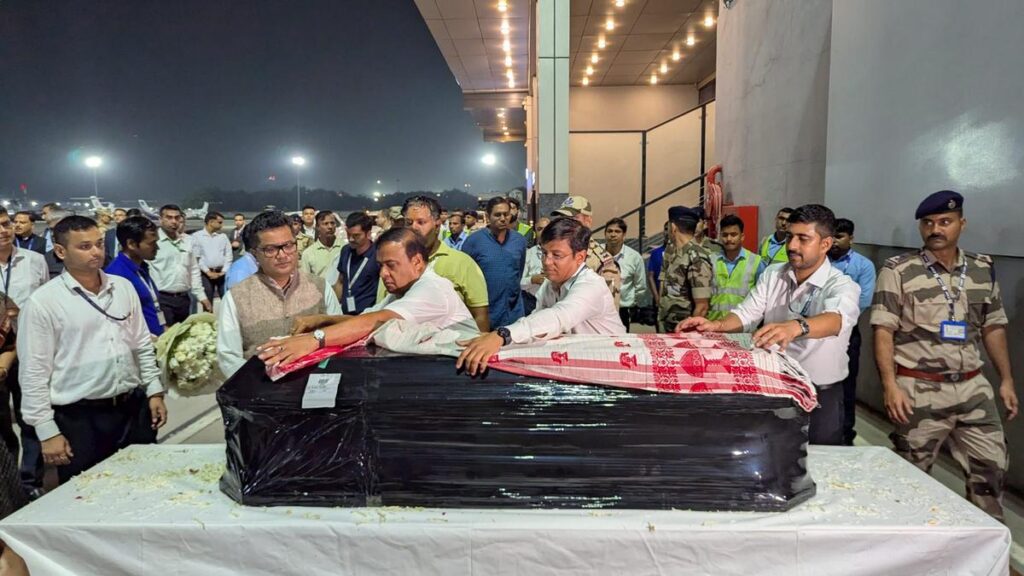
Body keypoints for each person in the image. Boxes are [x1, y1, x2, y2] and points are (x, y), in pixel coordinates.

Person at [871, 190, 1016, 520]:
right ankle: (912, 552)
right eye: (928, 223)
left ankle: (986, 551)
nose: (936, 229)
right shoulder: (899, 271)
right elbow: (883, 330)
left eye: (945, 222)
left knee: (991, 470)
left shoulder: (982, 269)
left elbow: (994, 327)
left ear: (961, 224)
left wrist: (1006, 379)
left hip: (973, 388)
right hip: (919, 389)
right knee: (911, 475)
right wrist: (890, 385)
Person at [678, 204, 860, 445]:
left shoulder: (841, 284)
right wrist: (716, 326)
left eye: (803, 239)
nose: (792, 246)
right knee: (772, 456)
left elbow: (836, 319)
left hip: (819, 393)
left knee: (819, 462)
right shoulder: (775, 274)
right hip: (775, 387)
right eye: (790, 237)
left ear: (825, 244)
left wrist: (795, 327)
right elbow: (747, 313)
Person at [17, 215, 168, 484]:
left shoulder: (122, 288)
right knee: (88, 494)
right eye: (84, 246)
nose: (97, 251)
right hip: (80, 419)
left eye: (99, 243)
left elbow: (141, 343)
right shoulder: (44, 303)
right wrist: (46, 430)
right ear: (61, 251)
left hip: (131, 409)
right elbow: (33, 373)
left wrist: (154, 389)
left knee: (145, 484)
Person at [257, 227, 476, 367]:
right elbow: (366, 317)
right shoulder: (402, 291)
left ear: (417, 262)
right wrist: (320, 321)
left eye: (391, 266)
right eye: (380, 266)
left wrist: (315, 339)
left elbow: (374, 322)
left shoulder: (432, 289)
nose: (383, 274)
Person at [457, 217, 626, 376]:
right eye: (545, 253)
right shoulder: (551, 283)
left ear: (580, 257)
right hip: (579, 363)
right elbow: (539, 322)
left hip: (611, 366)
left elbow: (558, 317)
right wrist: (497, 337)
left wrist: (503, 335)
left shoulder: (591, 285)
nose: (547, 261)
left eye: (556, 255)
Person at [216, 211, 342, 378]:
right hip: (261, 392)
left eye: (289, 245)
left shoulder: (320, 286)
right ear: (255, 254)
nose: (282, 255)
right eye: (270, 249)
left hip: (315, 386)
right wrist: (261, 382)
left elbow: (339, 334)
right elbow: (228, 357)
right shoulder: (236, 297)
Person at [381, 195, 490, 332]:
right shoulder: (392, 265)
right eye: (409, 222)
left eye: (421, 222)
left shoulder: (462, 263)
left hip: (449, 349)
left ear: (437, 225)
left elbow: (480, 316)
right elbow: (382, 308)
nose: (413, 228)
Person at [0, 209, 49, 499]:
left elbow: (47, 303)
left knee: (30, 414)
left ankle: (30, 481)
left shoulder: (35, 261)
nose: (3, 231)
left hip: (31, 349)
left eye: (6, 224)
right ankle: (8, 481)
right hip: (1, 353)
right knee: (3, 422)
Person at [828, 217, 876, 445]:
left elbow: (863, 301)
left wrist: (834, 318)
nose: (835, 242)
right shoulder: (819, 261)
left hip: (847, 333)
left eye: (840, 236)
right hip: (814, 332)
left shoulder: (863, 266)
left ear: (851, 238)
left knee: (846, 385)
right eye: (832, 236)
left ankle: (845, 434)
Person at [462, 197, 527, 328]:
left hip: (514, 313)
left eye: (506, 214)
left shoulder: (519, 241)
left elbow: (518, 271)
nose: (503, 218)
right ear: (488, 216)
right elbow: (465, 277)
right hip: (485, 314)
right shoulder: (474, 242)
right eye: (497, 215)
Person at [550, 195, 622, 307]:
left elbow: (609, 309)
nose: (565, 225)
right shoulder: (556, 254)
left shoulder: (603, 263)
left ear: (588, 221)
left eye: (572, 219)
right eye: (563, 219)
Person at [150, 204, 210, 326]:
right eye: (169, 217)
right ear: (160, 219)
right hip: (161, 299)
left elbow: (193, 270)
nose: (174, 221)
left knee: (183, 338)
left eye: (177, 218)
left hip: (183, 299)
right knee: (165, 338)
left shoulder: (188, 241)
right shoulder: (152, 241)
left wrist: (202, 296)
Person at [105, 217, 166, 337]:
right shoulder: (116, 275)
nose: (157, 248)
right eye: (151, 243)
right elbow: (120, 322)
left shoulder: (141, 267)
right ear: (131, 244)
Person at [657, 206, 712, 333]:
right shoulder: (672, 252)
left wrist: (688, 333)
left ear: (673, 227)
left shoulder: (696, 257)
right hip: (667, 325)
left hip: (683, 331)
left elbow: (702, 306)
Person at [707, 214, 764, 321]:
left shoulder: (756, 262)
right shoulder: (710, 260)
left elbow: (762, 298)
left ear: (742, 236)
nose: (729, 239)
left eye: (733, 235)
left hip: (743, 326)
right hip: (713, 324)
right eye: (725, 235)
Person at [603, 218, 646, 331]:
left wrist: (633, 305)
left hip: (622, 310)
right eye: (610, 231)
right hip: (598, 310)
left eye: (617, 231)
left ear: (624, 235)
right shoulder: (595, 254)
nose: (613, 234)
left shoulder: (634, 257)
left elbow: (640, 286)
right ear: (605, 233)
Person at [334, 212, 380, 315]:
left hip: (367, 315)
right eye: (348, 234)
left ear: (368, 234)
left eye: (356, 236)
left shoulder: (377, 254)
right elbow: (341, 281)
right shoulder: (346, 251)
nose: (351, 239)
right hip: (345, 314)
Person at [191, 211, 233, 302]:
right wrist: (208, 272)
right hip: (205, 274)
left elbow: (228, 256)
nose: (222, 225)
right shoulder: (196, 236)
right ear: (211, 222)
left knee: (227, 300)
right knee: (207, 301)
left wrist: (223, 271)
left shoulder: (223, 237)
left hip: (222, 273)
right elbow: (197, 258)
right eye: (220, 222)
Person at [300, 210, 345, 280]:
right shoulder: (308, 253)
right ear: (317, 227)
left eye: (332, 223)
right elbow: (305, 281)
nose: (330, 227)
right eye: (325, 224)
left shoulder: (345, 248)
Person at [520, 216, 550, 315]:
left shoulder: (562, 252)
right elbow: (519, 283)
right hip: (531, 303)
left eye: (547, 229)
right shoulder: (529, 254)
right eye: (539, 229)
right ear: (535, 233)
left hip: (555, 303)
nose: (543, 232)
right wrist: (532, 280)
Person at [646, 222, 669, 310]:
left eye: (670, 229)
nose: (667, 232)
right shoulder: (656, 253)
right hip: (660, 297)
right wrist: (656, 296)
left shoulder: (682, 253)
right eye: (666, 229)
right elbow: (651, 276)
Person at [43, 208, 70, 278]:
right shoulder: (46, 259)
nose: (53, 234)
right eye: (51, 230)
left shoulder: (86, 254)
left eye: (58, 229)